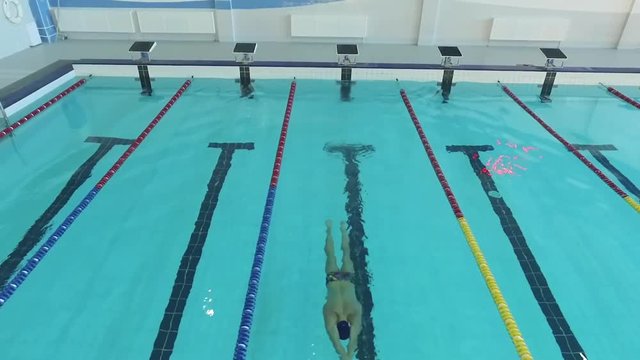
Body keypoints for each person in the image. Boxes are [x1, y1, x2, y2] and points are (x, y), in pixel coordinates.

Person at [323, 220, 362, 360]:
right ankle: (329, 229)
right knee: (331, 255)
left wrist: (349, 355)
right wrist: (343, 354)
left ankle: (343, 229)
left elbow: (354, 338)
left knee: (346, 253)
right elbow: (334, 338)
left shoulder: (355, 311)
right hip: (333, 280)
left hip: (347, 279)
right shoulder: (330, 313)